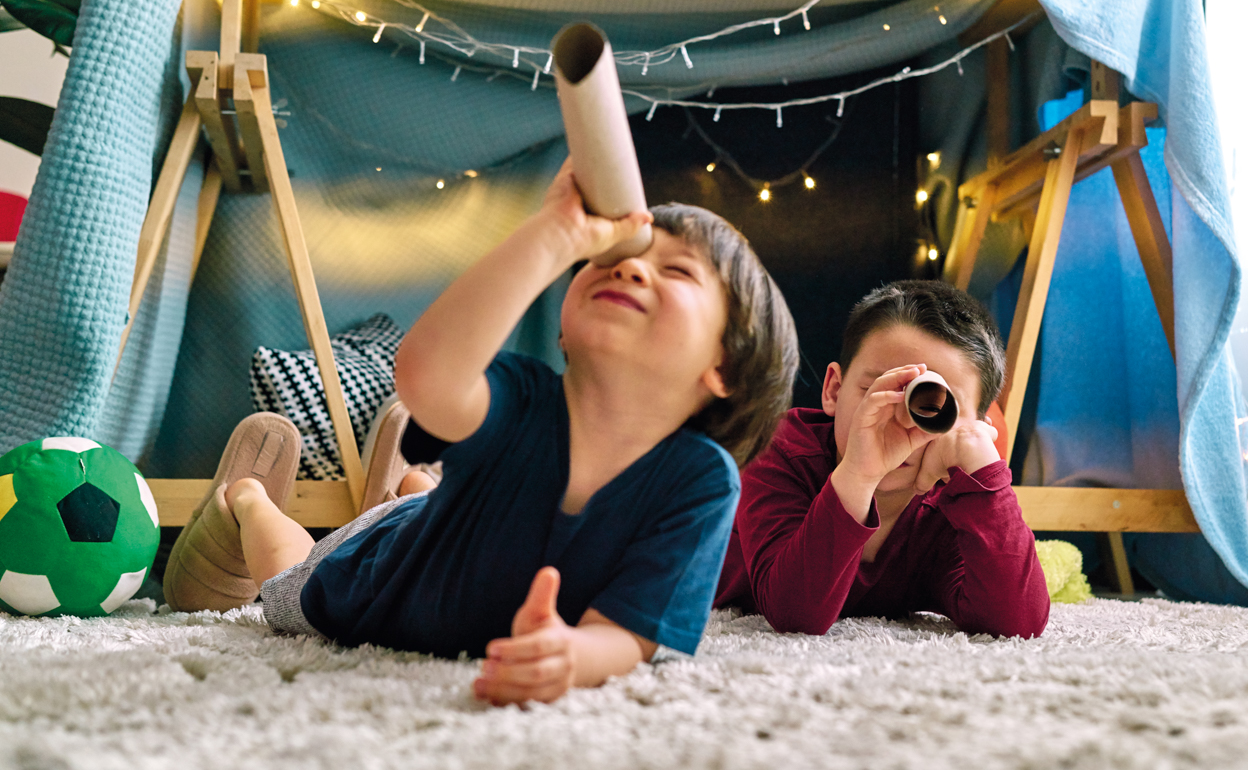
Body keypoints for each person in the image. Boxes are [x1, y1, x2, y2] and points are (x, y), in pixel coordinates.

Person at [163, 159, 799, 705]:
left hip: (448, 525)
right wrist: (554, 235)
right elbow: (424, 378)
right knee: (290, 586)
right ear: (563, 328)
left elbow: (631, 631)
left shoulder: (700, 480)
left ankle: (417, 487)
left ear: (725, 368)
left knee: (432, 500)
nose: (631, 269)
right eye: (611, 259)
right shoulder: (522, 395)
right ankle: (250, 500)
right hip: (382, 577)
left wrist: (570, 655)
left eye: (678, 271)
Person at [713, 279, 1049, 639]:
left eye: (932, 407)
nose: (898, 423)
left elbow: (1017, 622)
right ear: (834, 390)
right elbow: (794, 614)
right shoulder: (781, 449)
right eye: (879, 391)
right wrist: (858, 474)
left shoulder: (953, 502)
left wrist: (984, 476)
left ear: (975, 428)